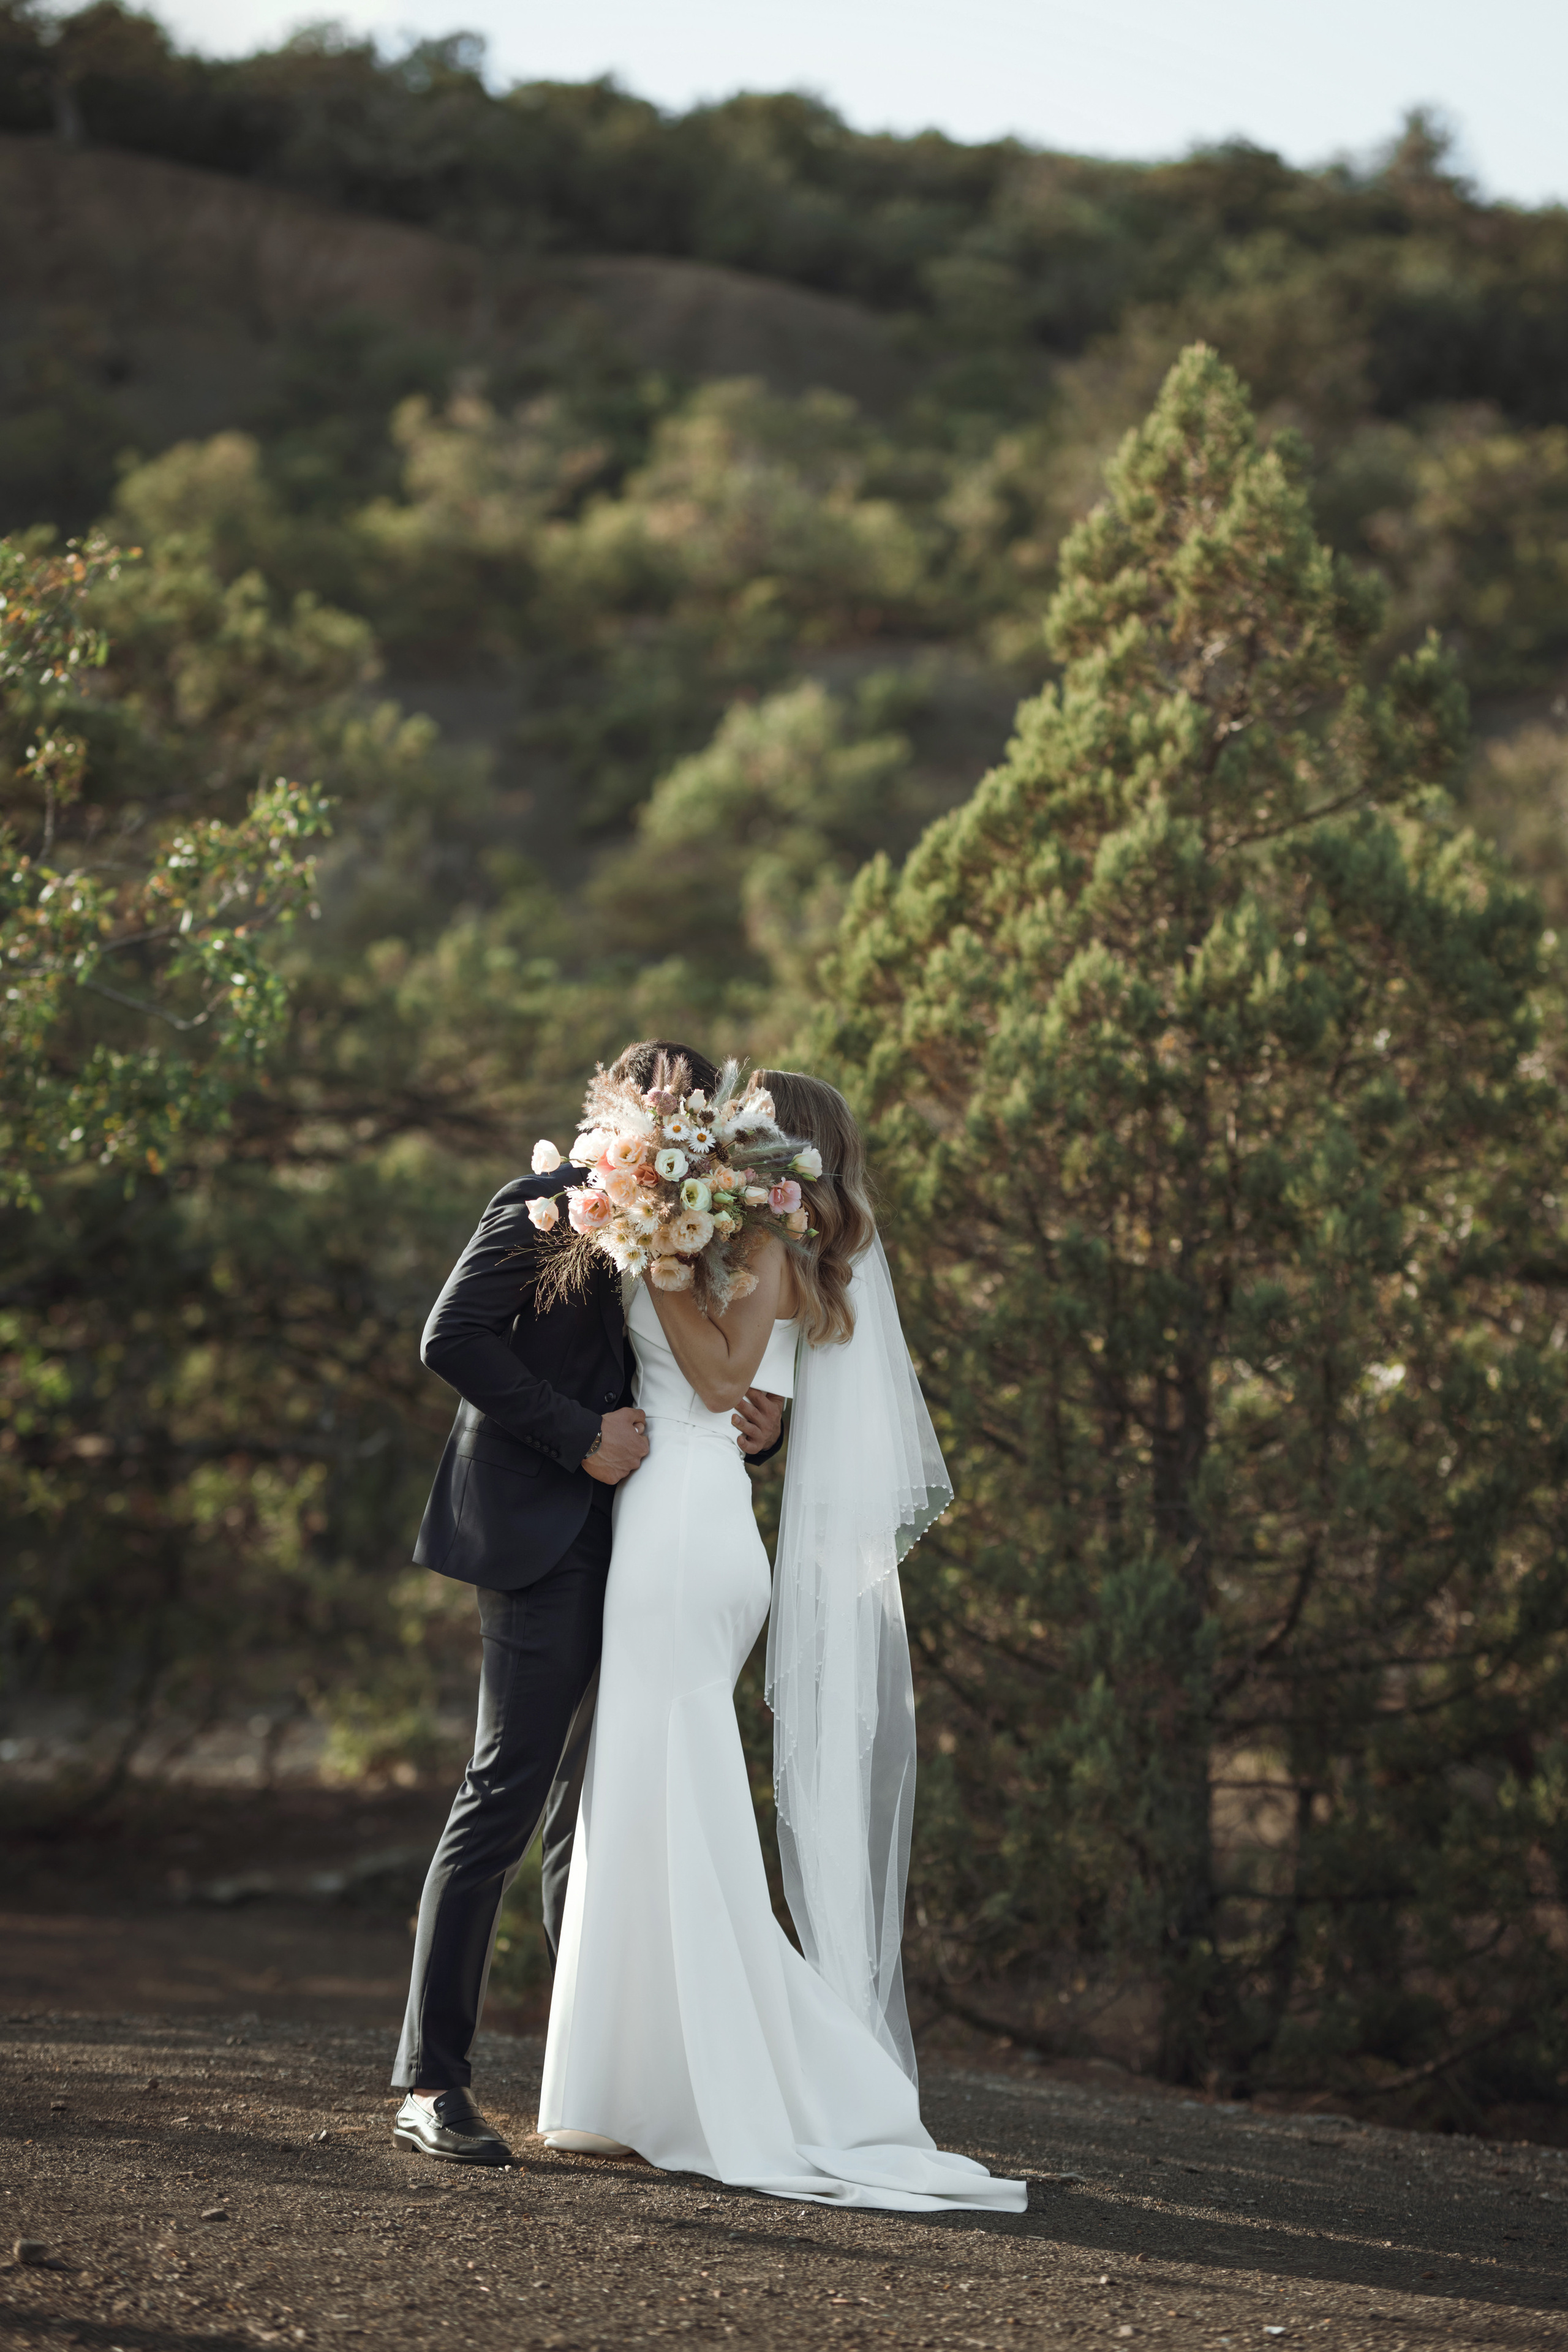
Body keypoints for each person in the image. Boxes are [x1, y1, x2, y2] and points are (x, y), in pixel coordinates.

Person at [538, 1069, 1026, 2213]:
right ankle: (621, 2084)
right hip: (677, 1518)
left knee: (679, 1801)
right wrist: (655, 1241)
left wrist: (647, 1252)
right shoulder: (746, 1244)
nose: (735, 1125)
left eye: (754, 1116)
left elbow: (715, 1382)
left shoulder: (763, 1247)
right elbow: (750, 1386)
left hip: (688, 1527)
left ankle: (722, 2084)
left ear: (785, 1144)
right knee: (643, 1794)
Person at [388, 1040, 786, 2168]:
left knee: (597, 1809)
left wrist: (761, 1432)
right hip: (543, 1533)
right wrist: (578, 1436)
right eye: (654, 1097)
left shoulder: (714, 1223)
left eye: (688, 1102)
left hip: (657, 1539)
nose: (672, 1115)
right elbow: (448, 1338)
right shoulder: (546, 1206)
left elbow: (704, 1368)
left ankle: (593, 2085)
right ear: (616, 1105)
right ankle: (431, 2082)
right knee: (505, 1790)